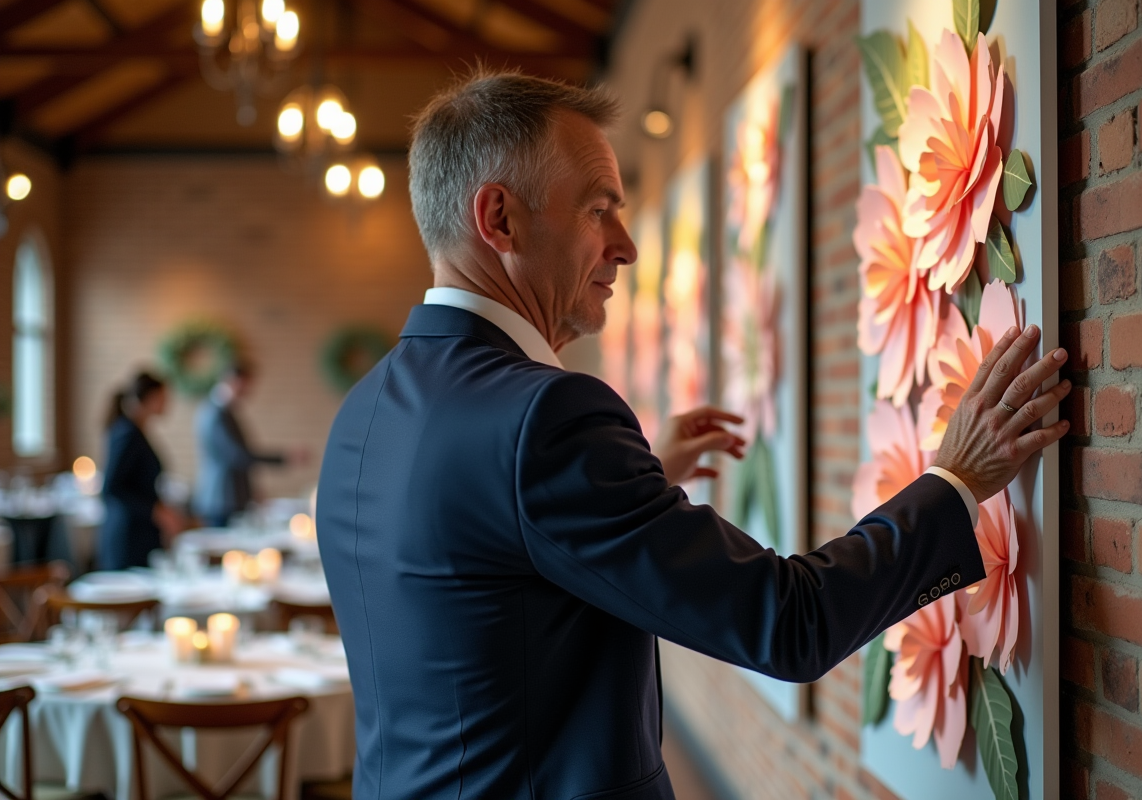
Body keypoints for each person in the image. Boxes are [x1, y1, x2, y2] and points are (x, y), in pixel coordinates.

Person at [316, 72, 1072, 800]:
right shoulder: (545, 420)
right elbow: (790, 624)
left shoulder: (362, 411)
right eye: (597, 209)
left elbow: (486, 571)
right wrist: (955, 482)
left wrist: (633, 474)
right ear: (499, 219)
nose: (625, 245)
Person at [193, 362, 300, 527]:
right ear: (233, 381)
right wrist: (283, 457)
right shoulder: (216, 414)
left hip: (229, 497)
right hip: (222, 498)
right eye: (245, 387)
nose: (247, 392)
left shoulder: (222, 411)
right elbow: (238, 456)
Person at [99, 371, 183, 570]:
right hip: (127, 535)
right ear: (151, 398)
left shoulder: (137, 430)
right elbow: (111, 487)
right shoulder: (127, 433)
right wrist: (155, 511)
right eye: (163, 397)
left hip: (140, 531)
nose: (167, 403)